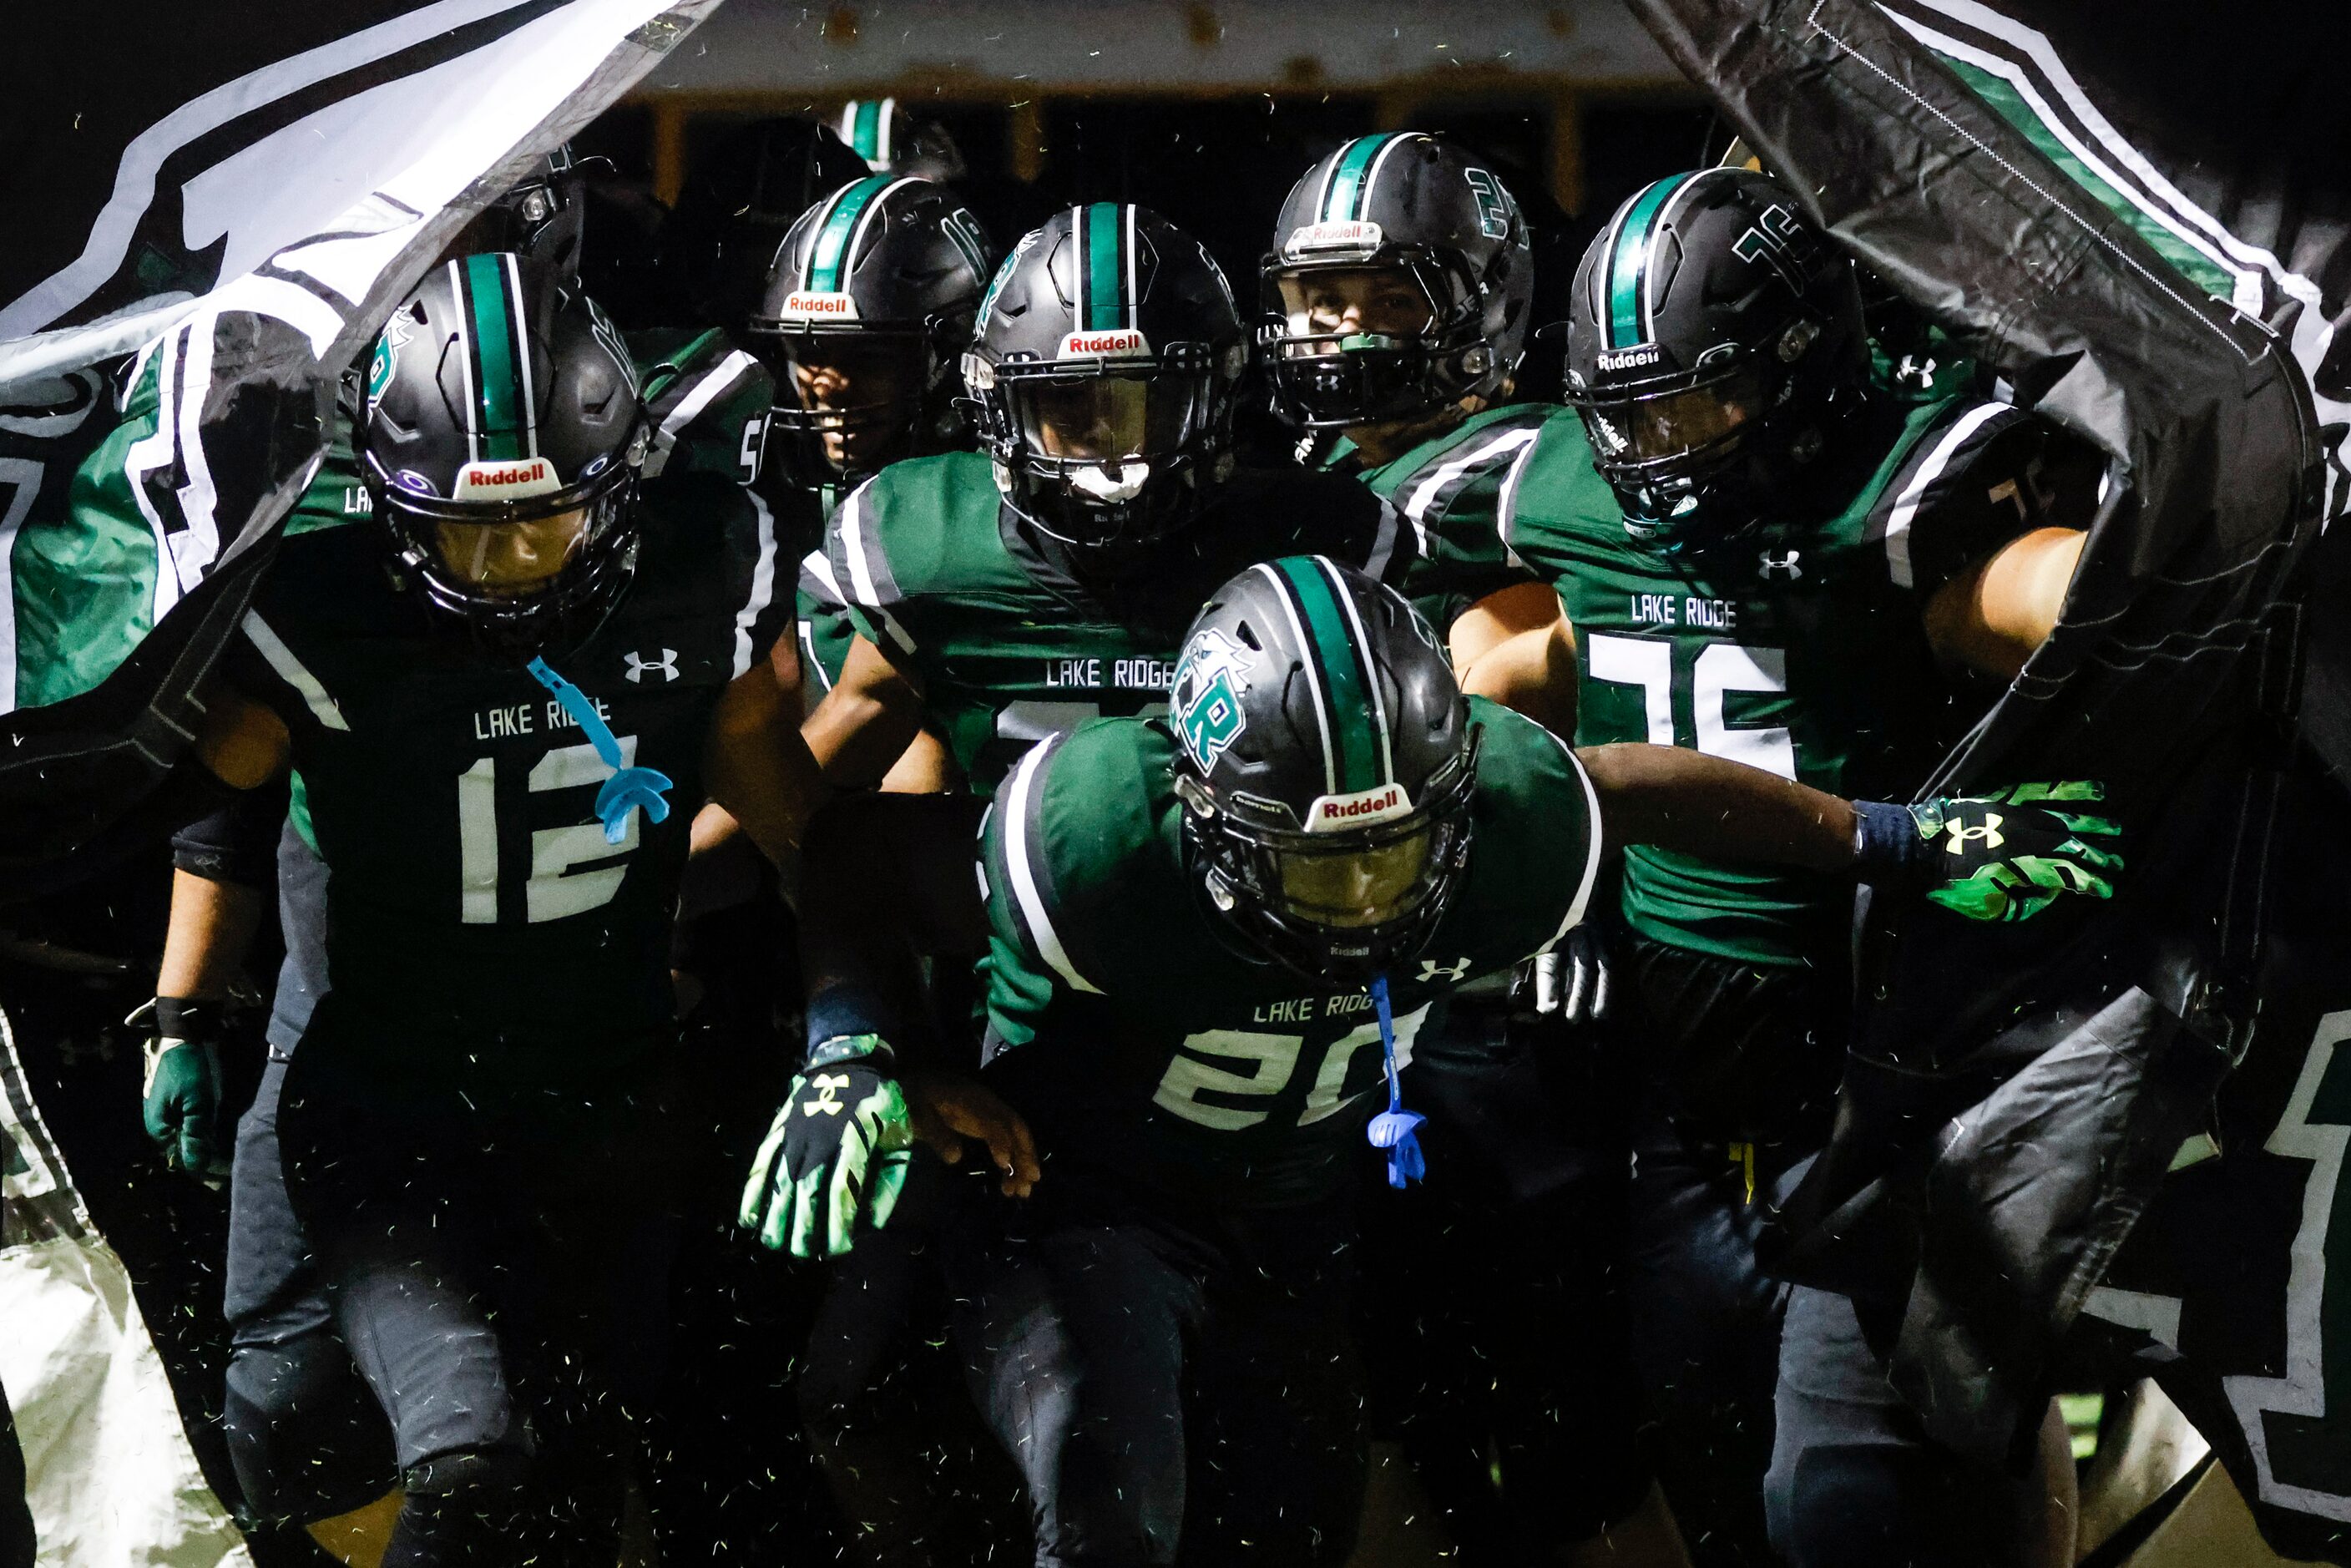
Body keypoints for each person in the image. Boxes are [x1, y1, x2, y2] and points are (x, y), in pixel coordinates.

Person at [743, 555, 2123, 1567]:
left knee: (1284, 1535)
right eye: (1318, 857)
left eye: (1394, 848)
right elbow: (861, 851)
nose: (1364, 898)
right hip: (1094, 1202)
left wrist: (1888, 837)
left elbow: (1629, 785)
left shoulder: (1509, 820)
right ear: (1205, 815)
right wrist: (861, 1045)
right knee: (1106, 1515)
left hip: (1297, 1225)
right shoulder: (1098, 840)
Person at [170, 252, 849, 1566]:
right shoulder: (316, 598)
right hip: (392, 1092)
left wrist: (865, 1022)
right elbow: (219, 794)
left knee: (557, 1477)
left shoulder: (701, 563)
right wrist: (183, 1006)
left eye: (545, 519)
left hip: (603, 1099)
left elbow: (801, 830)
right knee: (310, 1428)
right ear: (380, 499)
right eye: (462, 528)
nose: (509, 564)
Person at [1497, 164, 2105, 1562]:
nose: (1654, 449)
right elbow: (1516, 649)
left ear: (1802, 370)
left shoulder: (1897, 500)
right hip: (1682, 1097)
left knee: (1851, 1502)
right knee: (1710, 1480)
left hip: (1884, 1090)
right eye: (1623, 413)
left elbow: (2068, 603)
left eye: (1693, 402)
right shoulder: (1567, 495)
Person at [1262, 129, 1665, 1561]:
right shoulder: (1317, 459)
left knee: (1565, 1417)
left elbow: (1534, 672)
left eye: (1376, 297)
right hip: (1378, 987)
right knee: (1398, 1395)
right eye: (1317, 297)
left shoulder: (1514, 465)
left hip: (1511, 987)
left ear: (1479, 304)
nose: (1334, 331)